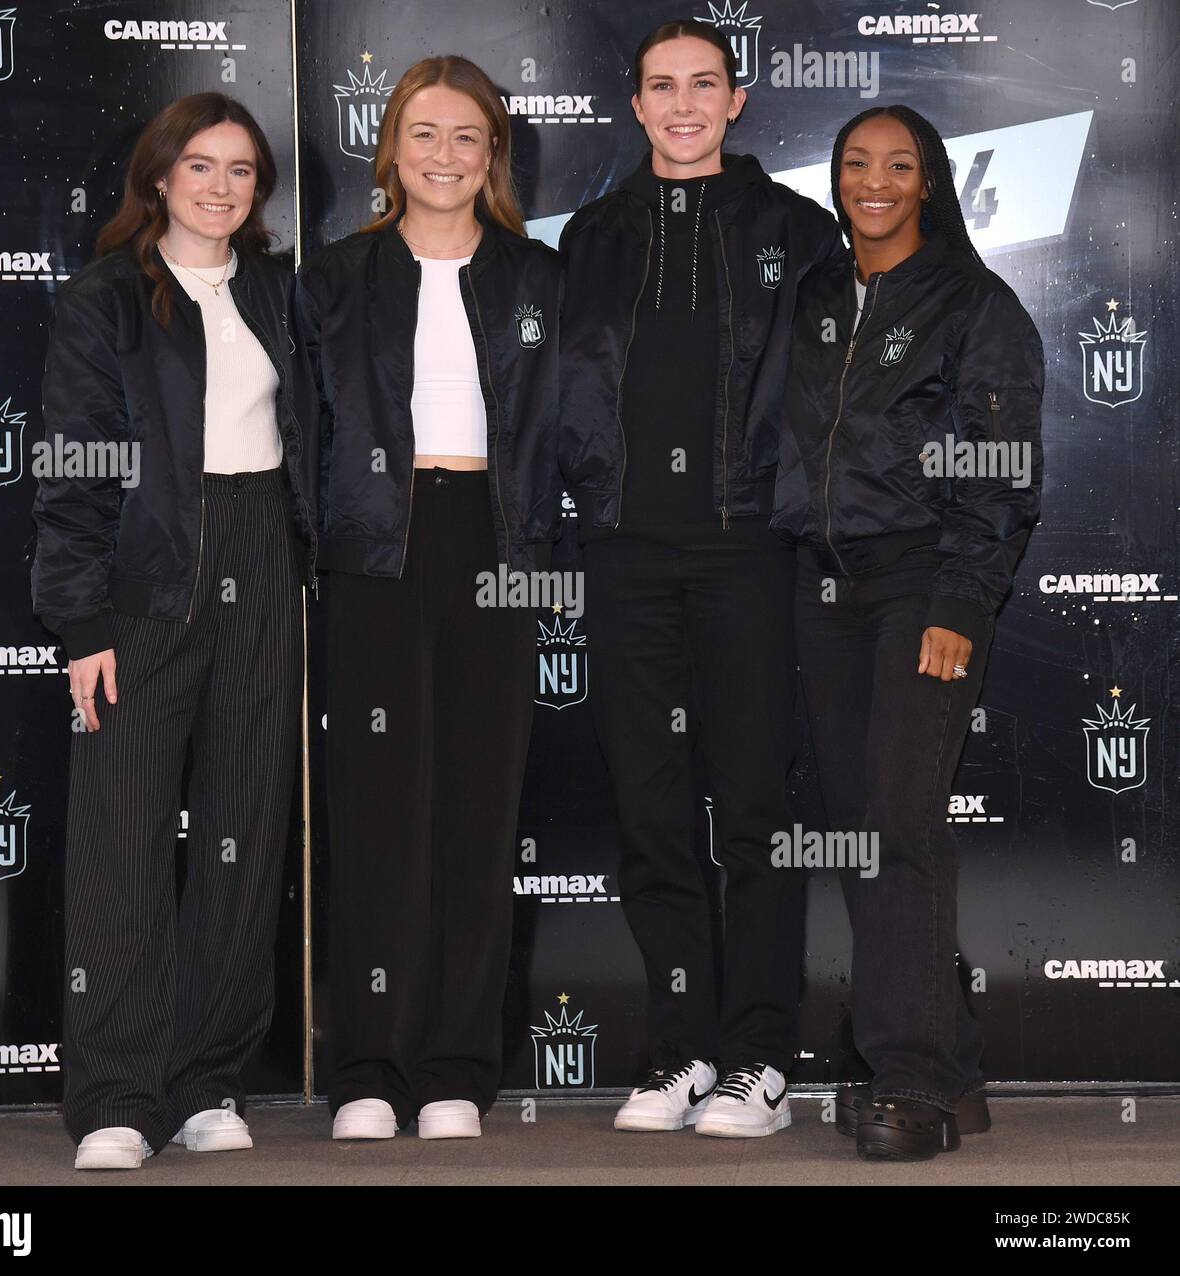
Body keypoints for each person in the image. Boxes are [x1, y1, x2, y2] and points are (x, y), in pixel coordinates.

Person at [557, 19, 846, 1137]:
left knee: (756, 812)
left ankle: (759, 1060)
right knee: (652, 813)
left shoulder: (797, 230)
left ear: (737, 101)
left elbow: (833, 407)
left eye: (703, 85)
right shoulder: (588, 236)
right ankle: (680, 1050)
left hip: (748, 554)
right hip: (624, 555)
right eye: (660, 87)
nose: (682, 105)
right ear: (633, 106)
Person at [31, 92, 318, 1170]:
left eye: (241, 169)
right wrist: (81, 615)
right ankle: (114, 1092)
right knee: (122, 841)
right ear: (158, 177)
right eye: (200, 165)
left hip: (259, 554)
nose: (221, 186)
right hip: (143, 577)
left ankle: (205, 1081)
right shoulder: (104, 299)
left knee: (243, 832)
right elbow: (70, 468)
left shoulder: (281, 294)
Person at [295, 55, 562, 1141]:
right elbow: (301, 437)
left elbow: (571, 435)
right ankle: (369, 1065)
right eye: (423, 134)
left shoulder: (537, 280)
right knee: (375, 814)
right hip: (374, 551)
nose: (444, 156)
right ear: (389, 147)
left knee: (475, 813)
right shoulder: (334, 278)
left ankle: (456, 1063)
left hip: (494, 549)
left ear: (491, 153)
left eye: (466, 137)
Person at [772, 104, 1044, 1159]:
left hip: (919, 588)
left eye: (897, 165)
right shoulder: (809, 301)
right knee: (861, 828)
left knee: (898, 826)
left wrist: (959, 603)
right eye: (854, 163)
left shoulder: (974, 304)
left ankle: (916, 1082)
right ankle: (941, 1055)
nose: (873, 181)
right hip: (821, 591)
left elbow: (1000, 471)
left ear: (928, 179)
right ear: (836, 180)